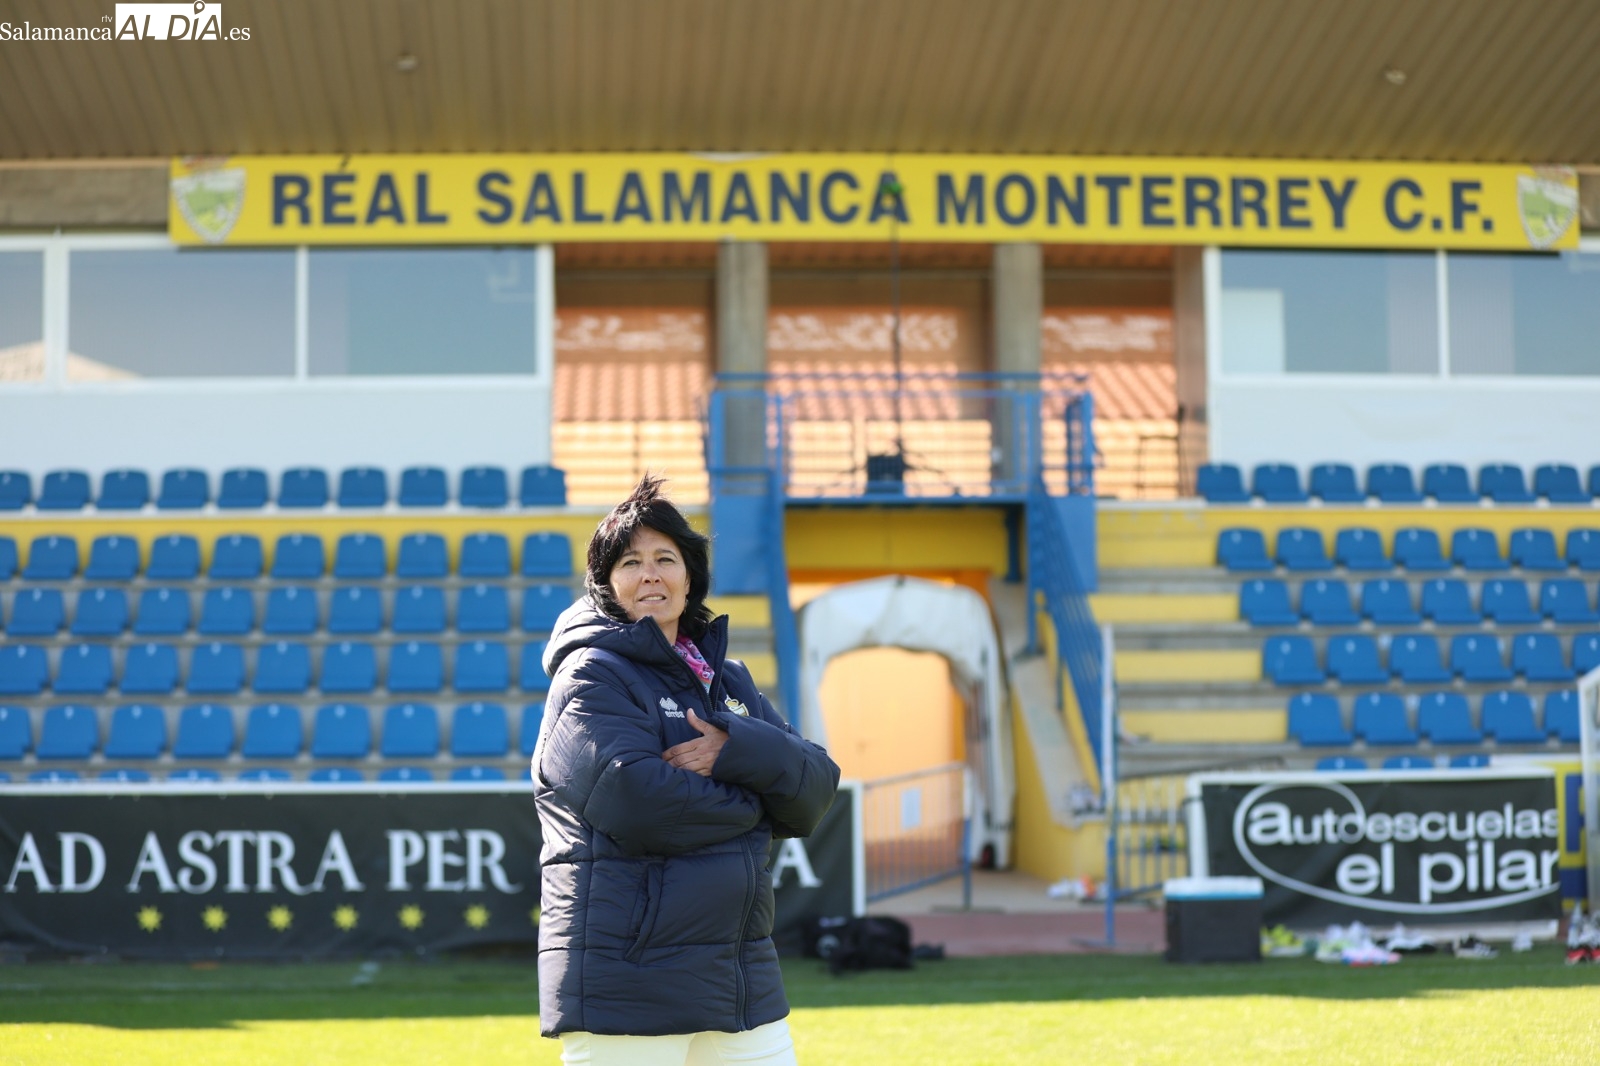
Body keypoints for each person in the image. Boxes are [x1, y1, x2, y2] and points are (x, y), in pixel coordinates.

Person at [533, 475, 841, 1066]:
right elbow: (639, 802)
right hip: (628, 983)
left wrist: (737, 750)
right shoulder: (589, 676)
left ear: (690, 576)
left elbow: (815, 788)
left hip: (740, 977)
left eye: (665, 558)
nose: (651, 574)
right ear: (607, 584)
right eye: (631, 562)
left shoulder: (728, 680)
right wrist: (760, 804)